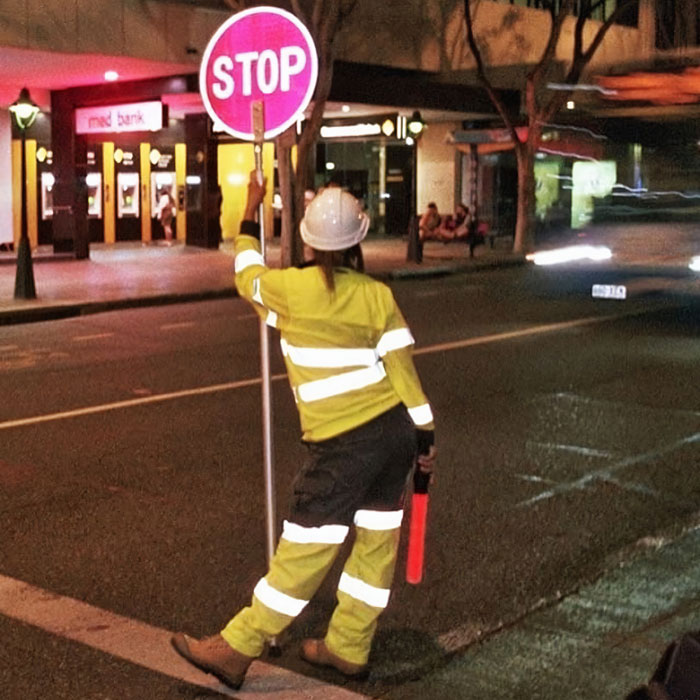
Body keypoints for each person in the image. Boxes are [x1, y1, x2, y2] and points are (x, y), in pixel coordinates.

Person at [171, 173, 437, 690]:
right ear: (359, 239)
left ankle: (236, 647)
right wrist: (425, 441)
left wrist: (251, 210)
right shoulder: (378, 296)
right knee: (374, 548)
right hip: (394, 436)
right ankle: (348, 648)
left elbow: (246, 273)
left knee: (305, 549)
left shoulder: (289, 290)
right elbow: (406, 378)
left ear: (310, 240)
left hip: (343, 447)